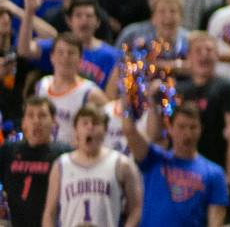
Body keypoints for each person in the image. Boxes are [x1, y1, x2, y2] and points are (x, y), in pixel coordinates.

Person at [120, 101, 228, 227]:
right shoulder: (154, 158)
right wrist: (127, 94)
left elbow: (216, 221)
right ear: (170, 128)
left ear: (200, 129)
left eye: (193, 127)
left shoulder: (214, 173)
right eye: (181, 127)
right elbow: (129, 131)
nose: (187, 134)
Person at [45, 103, 140, 227]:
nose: (90, 127)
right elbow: (49, 213)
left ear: (105, 130)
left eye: (95, 123)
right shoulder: (61, 165)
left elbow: (136, 209)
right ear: (76, 130)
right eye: (85, 123)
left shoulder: (121, 164)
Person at [0, 96, 67, 227]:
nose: (36, 121)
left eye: (42, 115)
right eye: (30, 116)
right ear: (23, 122)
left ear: (54, 121)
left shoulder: (63, 153)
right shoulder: (8, 151)